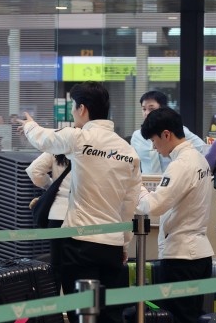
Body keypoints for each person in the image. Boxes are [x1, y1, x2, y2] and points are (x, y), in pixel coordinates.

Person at [16, 81, 141, 323]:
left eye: (74, 107)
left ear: (82, 108)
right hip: (112, 245)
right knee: (110, 314)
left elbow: (45, 139)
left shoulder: (80, 137)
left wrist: (30, 125)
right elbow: (129, 204)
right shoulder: (128, 151)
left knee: (82, 313)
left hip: (80, 243)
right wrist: (124, 243)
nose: (73, 113)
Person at [136, 107, 213, 323]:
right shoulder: (199, 159)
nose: (153, 146)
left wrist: (136, 187)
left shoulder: (181, 165)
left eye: (154, 139)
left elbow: (153, 206)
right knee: (190, 315)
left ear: (166, 134)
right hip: (198, 255)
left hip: (181, 258)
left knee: (178, 317)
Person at [26, 152, 71, 292]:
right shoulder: (92, 147)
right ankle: (76, 311)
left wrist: (52, 186)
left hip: (58, 214)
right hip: (84, 215)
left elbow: (35, 171)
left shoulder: (57, 146)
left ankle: (55, 311)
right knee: (78, 268)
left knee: (57, 267)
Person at [130, 91, 207, 174]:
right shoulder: (137, 136)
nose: (147, 113)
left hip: (174, 180)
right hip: (147, 183)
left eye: (151, 109)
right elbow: (132, 163)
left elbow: (204, 150)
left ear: (162, 109)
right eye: (144, 109)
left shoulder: (178, 130)